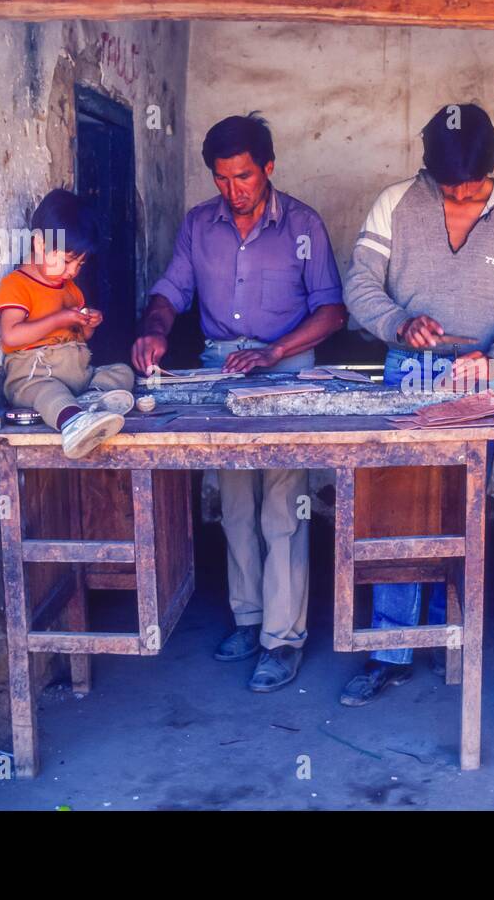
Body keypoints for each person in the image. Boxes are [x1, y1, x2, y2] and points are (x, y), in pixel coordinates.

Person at [338, 102, 494, 705]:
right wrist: (399, 323)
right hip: (409, 371)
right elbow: (360, 285)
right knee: (399, 509)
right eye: (449, 182)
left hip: (480, 379)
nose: (461, 192)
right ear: (428, 166)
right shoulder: (397, 203)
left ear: (491, 167)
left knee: (462, 512)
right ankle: (392, 650)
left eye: (472, 182)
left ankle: (456, 637)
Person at [131, 113, 347, 692]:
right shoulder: (199, 225)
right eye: (223, 179)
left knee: (283, 509)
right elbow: (170, 292)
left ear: (269, 168)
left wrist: (275, 352)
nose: (234, 190)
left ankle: (283, 639)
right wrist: (155, 327)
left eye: (245, 176)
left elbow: (332, 311)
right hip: (221, 370)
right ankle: (249, 620)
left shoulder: (304, 224)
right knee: (232, 503)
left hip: (288, 369)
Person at [0, 189, 134, 459]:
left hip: (77, 379)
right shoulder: (17, 285)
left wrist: (89, 323)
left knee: (122, 372)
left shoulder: (71, 290)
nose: (72, 272)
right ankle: (74, 422)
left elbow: (82, 337)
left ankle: (90, 401)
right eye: (68, 261)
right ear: (39, 244)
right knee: (50, 394)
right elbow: (11, 336)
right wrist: (60, 317)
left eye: (79, 265)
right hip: (34, 377)